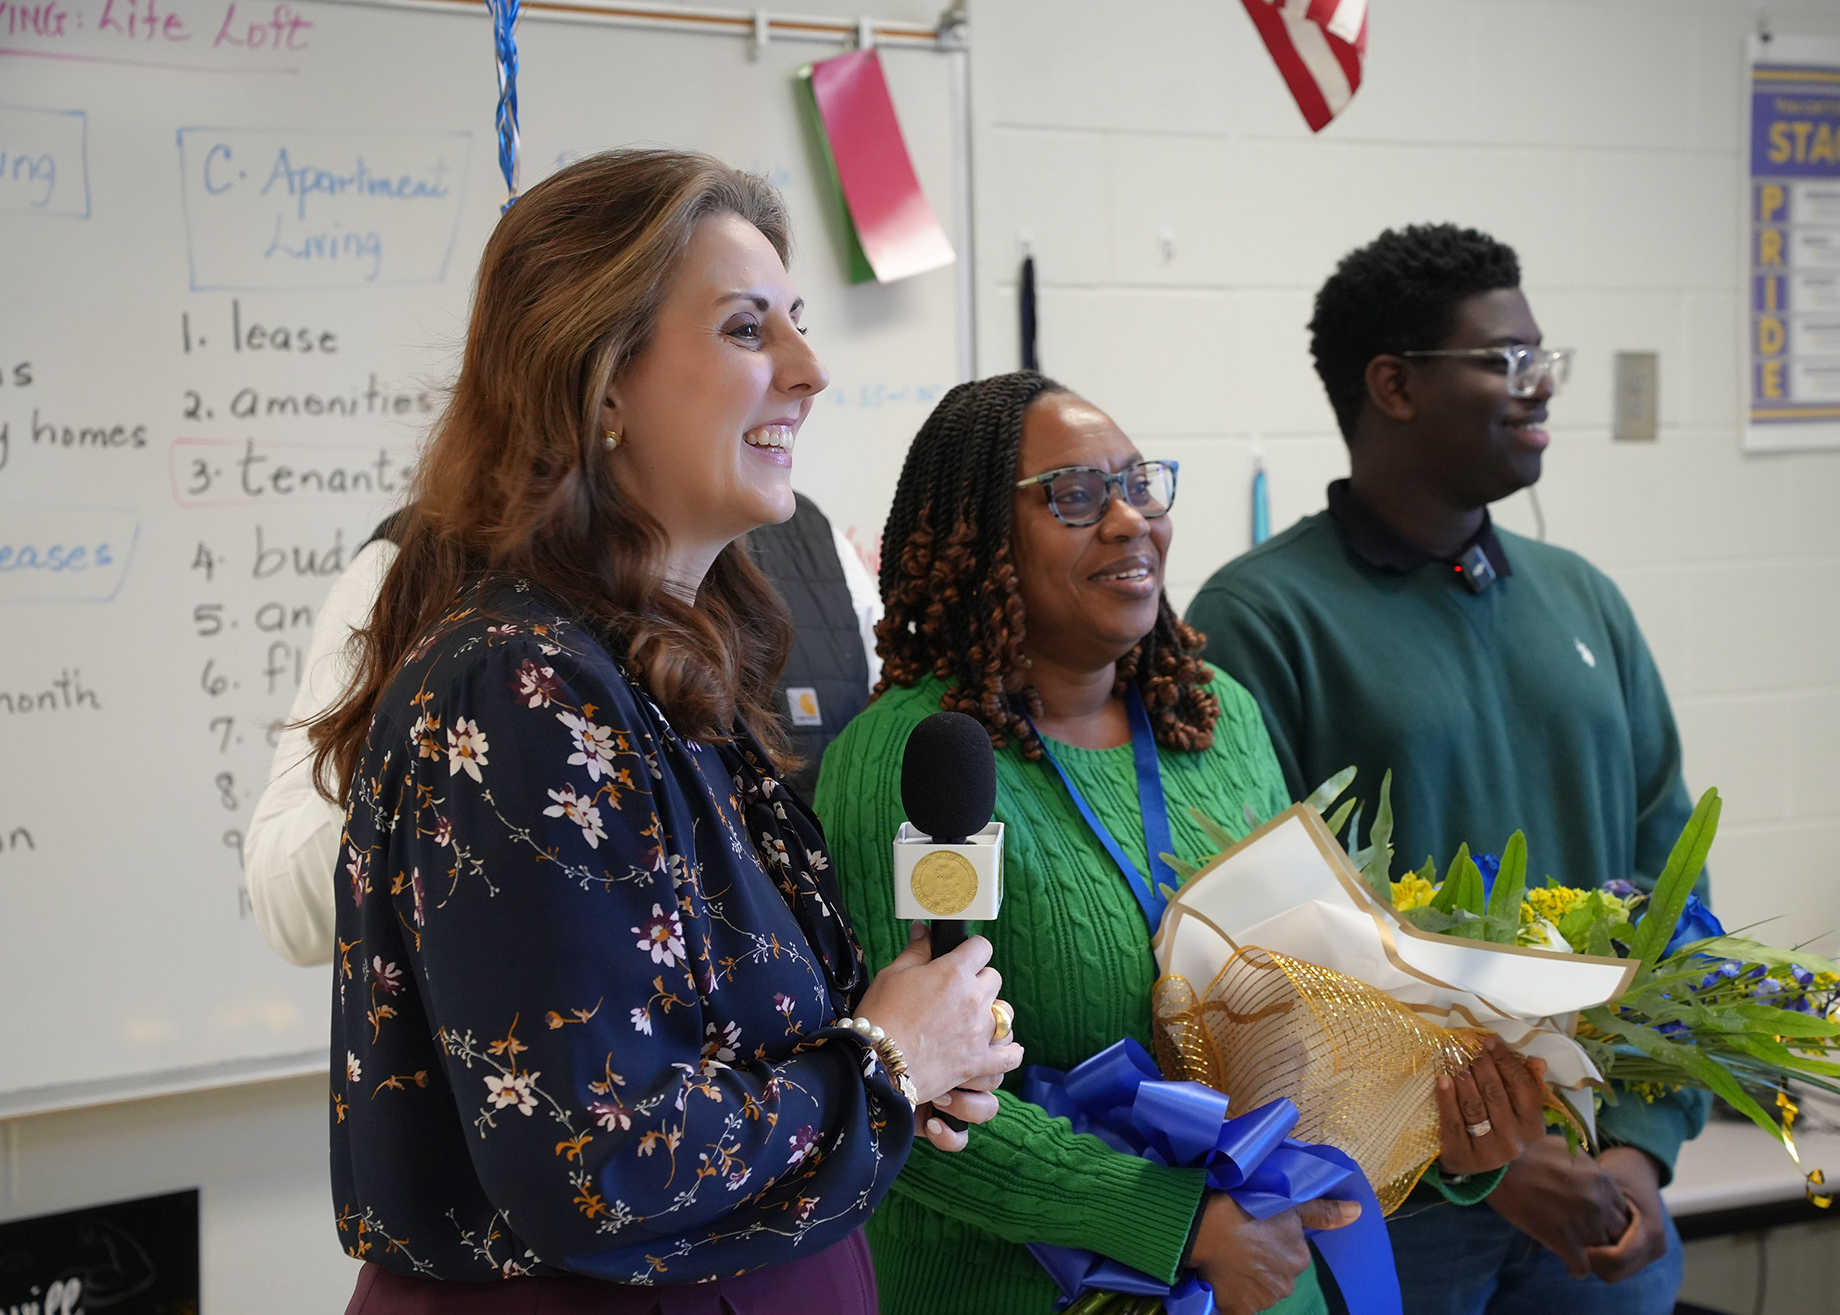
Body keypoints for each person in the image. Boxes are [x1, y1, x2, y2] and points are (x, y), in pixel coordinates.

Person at [309, 149, 1021, 1313]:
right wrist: (885, 1059)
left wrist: (902, 1056)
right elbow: (600, 1162)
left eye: (796, 322)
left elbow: (714, 1062)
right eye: (747, 329)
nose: (809, 370)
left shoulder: (654, 668)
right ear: (601, 387)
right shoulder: (523, 687)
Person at [814, 371, 1552, 1315]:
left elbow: (1307, 1019)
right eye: (1076, 495)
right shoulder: (913, 758)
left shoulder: (1216, 718)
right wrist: (1179, 1221)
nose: (1129, 519)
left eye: (1140, 485)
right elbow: (901, 1098)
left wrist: (1446, 1134)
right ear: (978, 535)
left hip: (1263, 1283)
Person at [1186, 224, 1712, 1315]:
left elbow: (1672, 881)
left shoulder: (1582, 600)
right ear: (1394, 385)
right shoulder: (1259, 617)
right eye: (1504, 359)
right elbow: (1254, 951)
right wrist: (1494, 1165)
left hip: (1600, 1196)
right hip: (1392, 1208)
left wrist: (1641, 1146)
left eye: (1541, 357)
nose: (1539, 384)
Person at [244, 492, 881, 967]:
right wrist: (436, 726)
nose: (808, 374)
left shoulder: (821, 553)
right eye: (745, 346)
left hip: (824, 1079)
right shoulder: (422, 567)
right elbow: (288, 914)